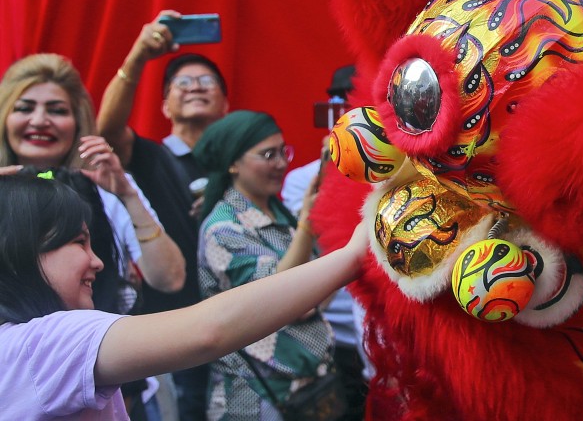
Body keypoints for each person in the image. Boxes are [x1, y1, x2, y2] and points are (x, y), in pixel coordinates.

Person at [0, 172, 367, 420]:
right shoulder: (44, 344)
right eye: (79, 242)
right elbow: (210, 330)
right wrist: (352, 256)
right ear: (17, 250)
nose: (97, 262)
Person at [1, 53, 188, 418]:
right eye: (26, 107)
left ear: (77, 122)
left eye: (56, 110)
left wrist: (127, 195)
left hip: (112, 387)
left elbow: (171, 279)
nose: (40, 121)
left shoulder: (103, 188)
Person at [98, 11, 230, 418]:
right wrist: (138, 55)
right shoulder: (149, 157)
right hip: (175, 331)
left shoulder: (243, 168)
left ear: (226, 104)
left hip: (237, 327)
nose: (195, 88)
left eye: (206, 82)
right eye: (182, 83)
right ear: (165, 104)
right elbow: (107, 130)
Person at [195, 110, 334, 420]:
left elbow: (315, 297)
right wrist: (307, 225)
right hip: (253, 399)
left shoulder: (278, 213)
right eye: (268, 154)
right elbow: (278, 298)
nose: (281, 163)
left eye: (283, 151)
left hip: (304, 389)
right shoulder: (222, 229)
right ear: (233, 163)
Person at [281, 65, 369, 421]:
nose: (348, 110)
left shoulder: (403, 166)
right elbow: (305, 249)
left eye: (356, 100)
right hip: (335, 337)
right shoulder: (302, 180)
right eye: (339, 102)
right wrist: (332, 168)